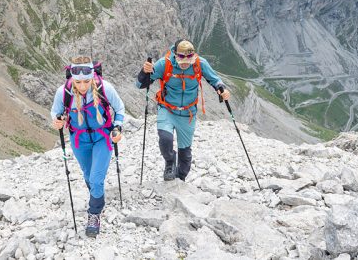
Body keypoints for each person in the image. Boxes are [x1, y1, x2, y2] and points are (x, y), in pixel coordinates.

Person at [51, 55, 125, 237]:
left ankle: (94, 214)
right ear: (72, 78)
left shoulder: (104, 88)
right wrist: (57, 121)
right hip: (79, 140)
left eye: (86, 81)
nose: (82, 86)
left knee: (96, 179)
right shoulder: (64, 92)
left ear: (92, 76)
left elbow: (120, 108)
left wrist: (117, 127)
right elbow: (55, 111)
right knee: (88, 175)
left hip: (102, 138)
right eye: (78, 82)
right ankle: (97, 197)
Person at [136, 40, 230, 181]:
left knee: (185, 153)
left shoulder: (200, 63)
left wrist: (222, 90)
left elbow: (215, 80)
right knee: (165, 139)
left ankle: (180, 179)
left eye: (189, 58)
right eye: (181, 57)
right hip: (167, 109)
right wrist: (145, 71)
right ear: (175, 54)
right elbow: (140, 85)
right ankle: (169, 161)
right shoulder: (164, 64)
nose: (186, 61)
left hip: (188, 113)